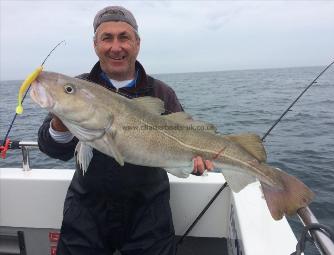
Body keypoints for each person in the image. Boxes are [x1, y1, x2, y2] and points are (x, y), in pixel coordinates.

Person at [38, 6, 213, 255]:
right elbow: (53, 149)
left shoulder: (161, 93)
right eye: (107, 38)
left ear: (137, 43)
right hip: (87, 211)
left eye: (124, 37)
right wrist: (60, 120)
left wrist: (196, 164)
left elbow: (185, 145)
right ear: (95, 44)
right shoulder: (77, 87)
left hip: (149, 212)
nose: (116, 47)